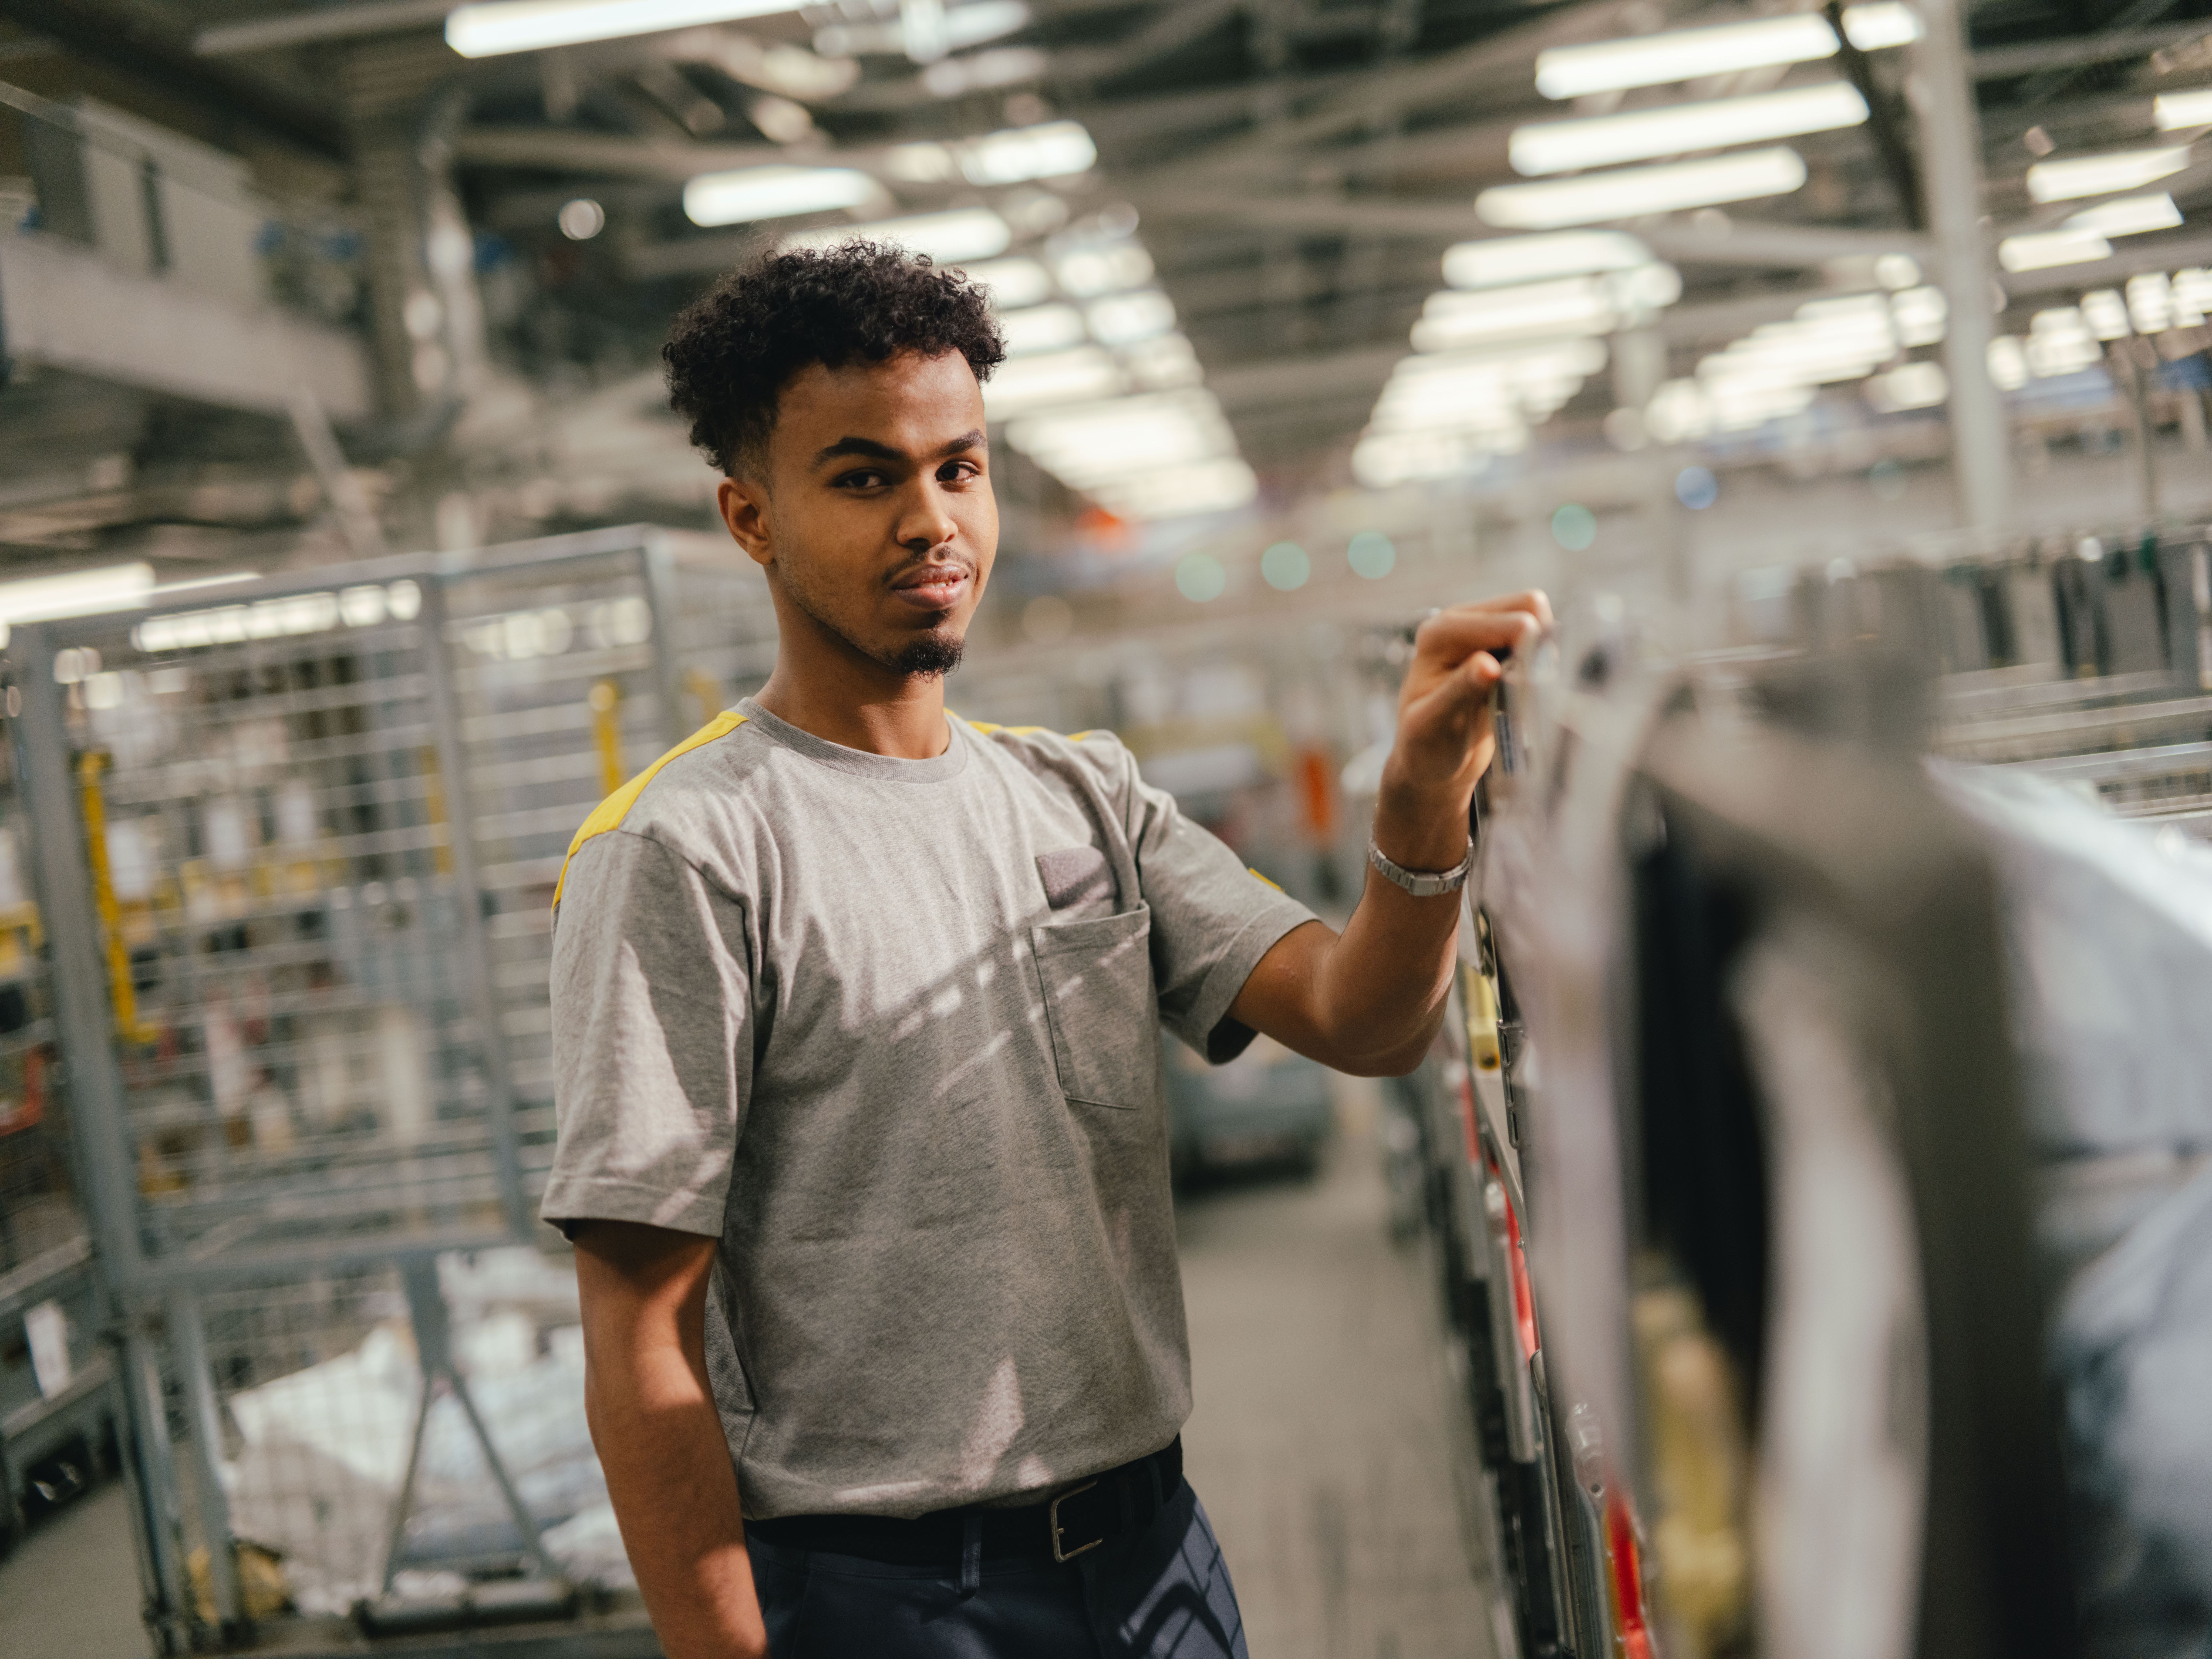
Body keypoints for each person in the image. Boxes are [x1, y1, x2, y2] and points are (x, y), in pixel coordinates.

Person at [545, 240, 1549, 1659]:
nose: (932, 520)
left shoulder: (1082, 796)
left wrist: (1420, 808)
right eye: (865, 479)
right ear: (751, 519)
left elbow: (1365, 1018)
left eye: (959, 468)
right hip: (887, 1596)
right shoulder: (687, 850)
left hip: (1154, 1557)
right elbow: (641, 1339)